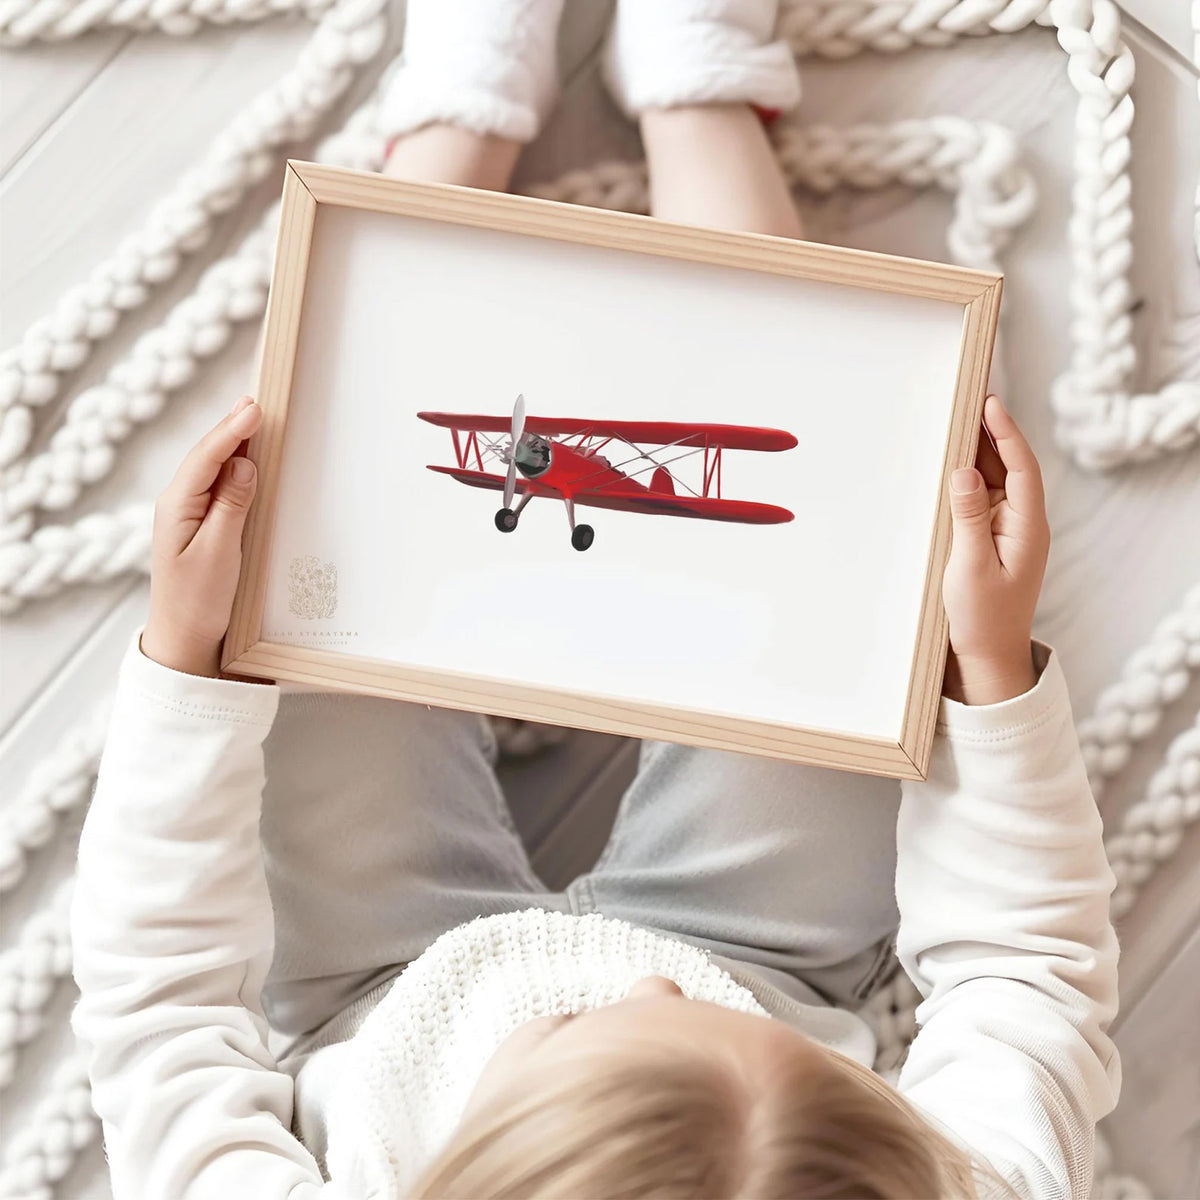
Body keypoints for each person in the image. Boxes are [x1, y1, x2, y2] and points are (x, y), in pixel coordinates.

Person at [69, 2, 1120, 1197]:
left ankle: (452, 121)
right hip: (761, 958)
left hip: (374, 985)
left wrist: (183, 667)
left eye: (578, 1028)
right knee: (862, 575)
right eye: (772, 1066)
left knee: (302, 538)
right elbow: (1029, 977)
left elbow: (156, 1012)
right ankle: (699, 92)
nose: (645, 985)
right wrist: (988, 676)